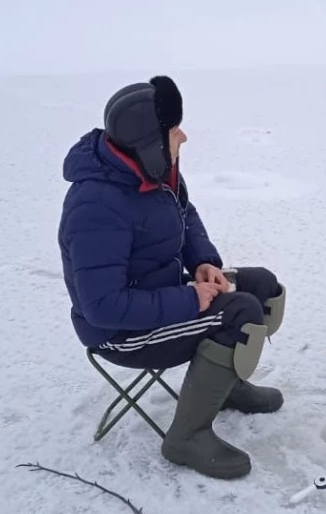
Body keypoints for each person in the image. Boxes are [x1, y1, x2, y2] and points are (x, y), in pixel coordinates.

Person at [58, 75, 287, 479]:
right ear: (148, 141)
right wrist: (188, 300)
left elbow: (184, 213)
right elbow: (102, 307)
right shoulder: (96, 205)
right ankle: (186, 437)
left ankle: (224, 383)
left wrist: (203, 261)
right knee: (241, 313)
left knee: (262, 285)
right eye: (172, 129)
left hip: (157, 297)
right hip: (122, 334)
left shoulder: (152, 172)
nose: (182, 136)